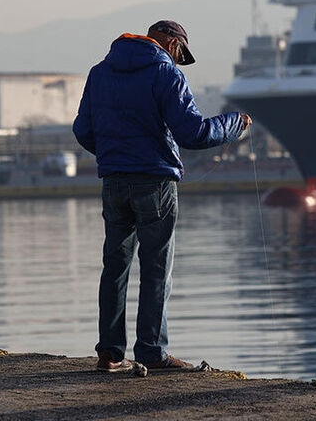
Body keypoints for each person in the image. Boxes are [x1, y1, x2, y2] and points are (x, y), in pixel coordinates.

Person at [73, 20, 251, 373]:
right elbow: (194, 132)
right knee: (156, 269)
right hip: (155, 183)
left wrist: (113, 155)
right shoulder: (165, 74)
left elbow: (83, 130)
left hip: (113, 182)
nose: (178, 58)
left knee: (115, 267)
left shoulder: (100, 72)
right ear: (170, 42)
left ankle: (110, 355)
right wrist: (234, 124)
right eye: (180, 52)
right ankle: (152, 353)